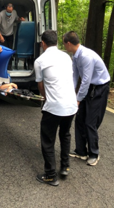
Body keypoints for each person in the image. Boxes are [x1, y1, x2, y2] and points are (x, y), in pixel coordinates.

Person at [35, 30, 77, 186]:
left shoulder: (40, 61)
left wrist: (47, 98)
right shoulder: (67, 57)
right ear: (57, 42)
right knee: (65, 134)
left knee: (47, 140)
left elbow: (40, 85)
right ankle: (65, 166)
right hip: (71, 105)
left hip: (54, 106)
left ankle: (51, 175)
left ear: (43, 43)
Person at [63, 31, 111, 166]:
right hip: (89, 87)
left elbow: (85, 80)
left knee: (91, 121)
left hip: (99, 88)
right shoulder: (75, 56)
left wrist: (78, 100)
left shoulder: (86, 56)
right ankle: (81, 151)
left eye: (64, 44)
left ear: (68, 43)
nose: (64, 47)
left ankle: (94, 153)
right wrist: (71, 93)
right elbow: (74, 75)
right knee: (79, 119)